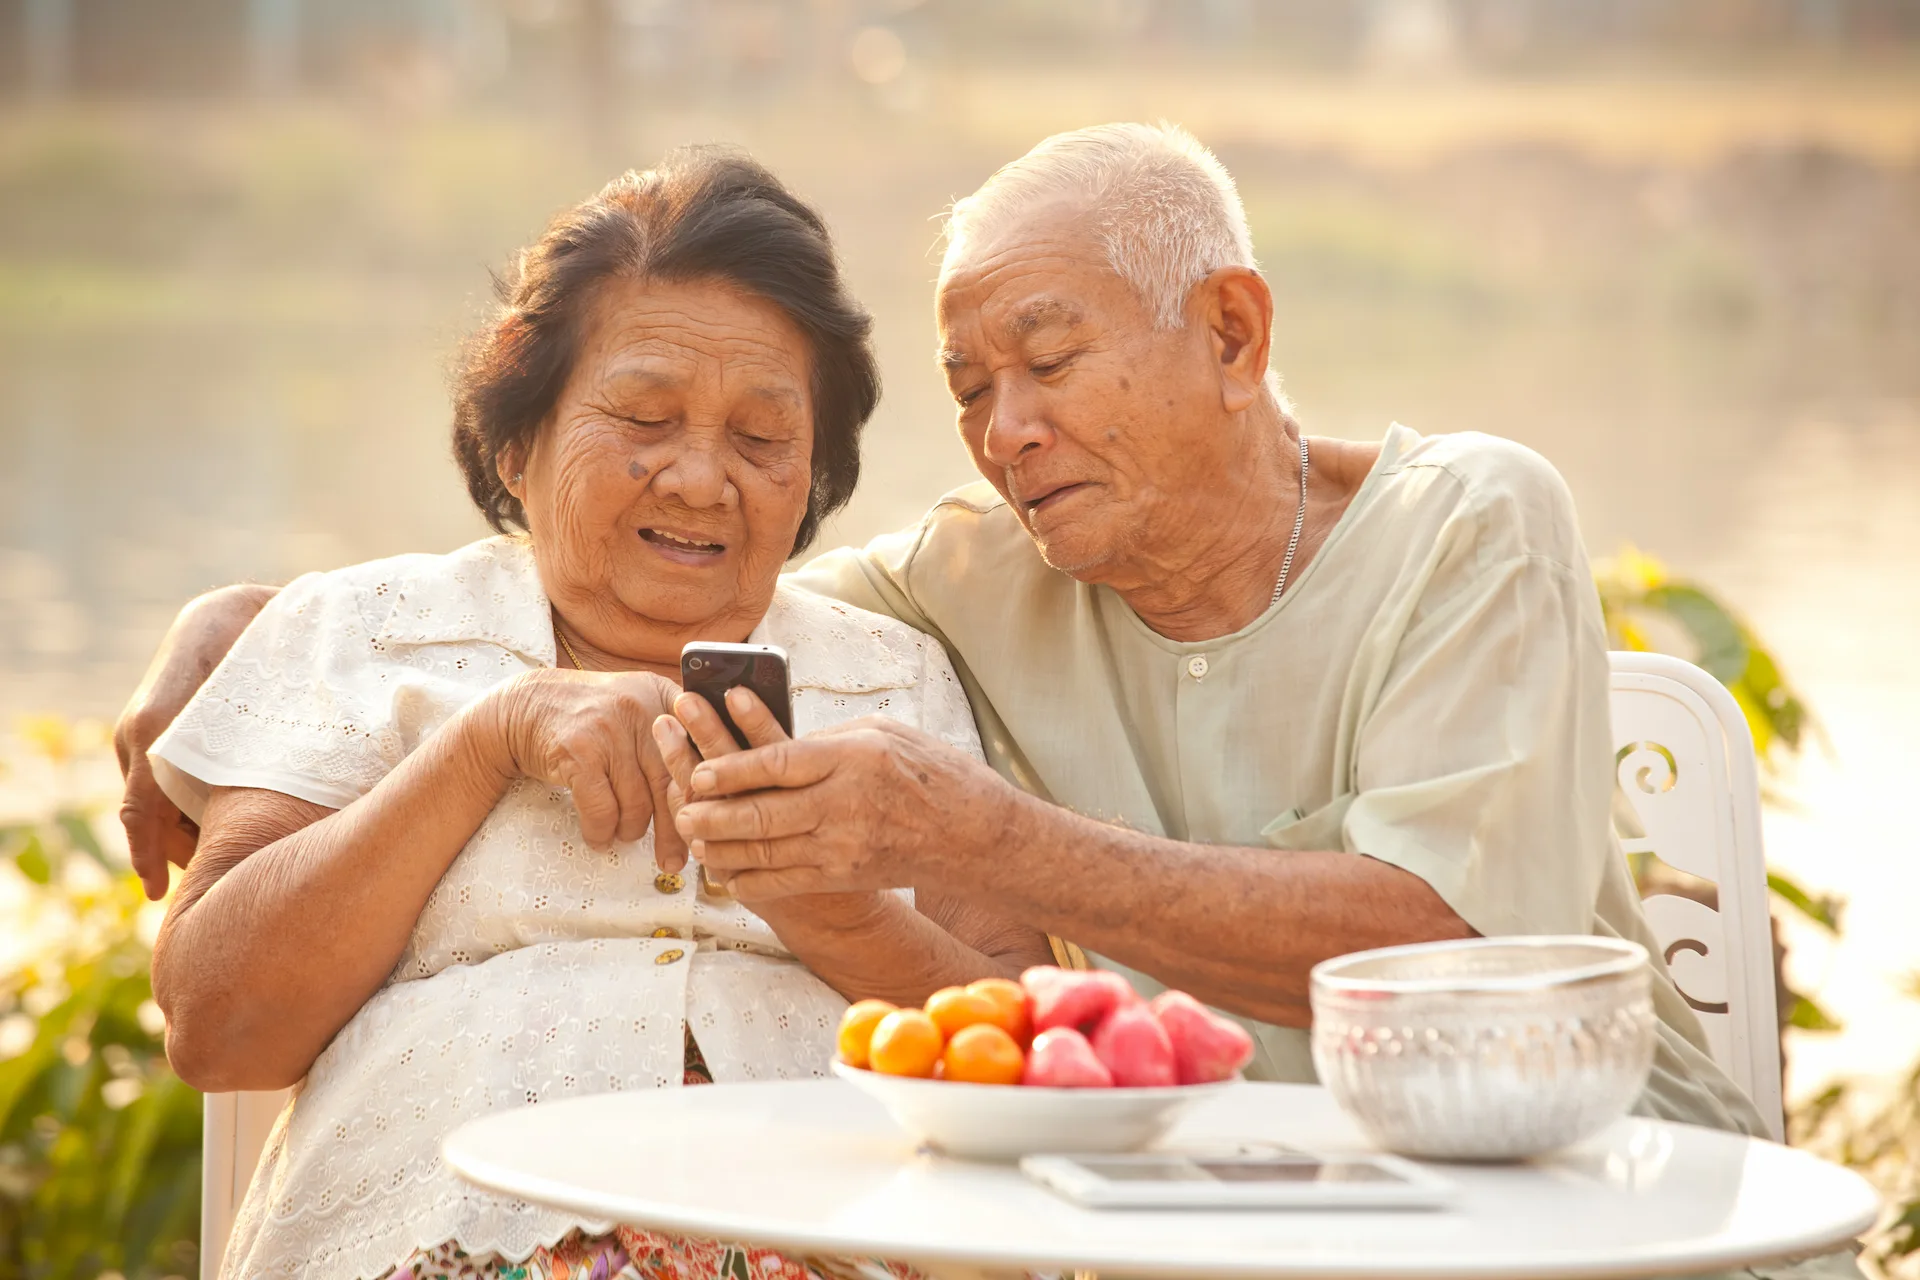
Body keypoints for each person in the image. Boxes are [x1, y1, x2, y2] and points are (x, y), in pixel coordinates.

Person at [122, 125, 1860, 1280]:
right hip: (1141, 1223)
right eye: (971, 389)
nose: (1007, 427)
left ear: (1237, 332)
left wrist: (916, 866)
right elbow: (636, 583)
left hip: (1541, 1211)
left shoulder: (1447, 526)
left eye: (1047, 361)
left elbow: (1389, 960)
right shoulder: (945, 589)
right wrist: (271, 633)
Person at [140, 149, 1050, 1280]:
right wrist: (488, 741)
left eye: (764, 439)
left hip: (829, 1241)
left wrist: (831, 909)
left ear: (812, 478)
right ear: (516, 445)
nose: (701, 478)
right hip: (446, 1238)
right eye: (643, 416)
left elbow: (1024, 1060)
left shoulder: (894, 676)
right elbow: (217, 1026)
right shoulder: (362, 629)